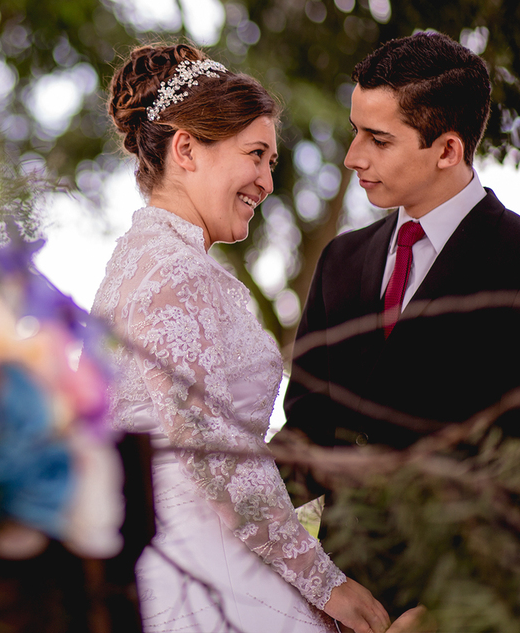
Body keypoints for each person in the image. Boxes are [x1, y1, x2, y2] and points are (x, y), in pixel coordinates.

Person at [280, 31, 520, 632]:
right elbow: (310, 434)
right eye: (355, 130)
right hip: (347, 611)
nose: (352, 156)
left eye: (378, 139)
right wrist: (221, 498)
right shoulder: (342, 261)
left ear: (448, 149)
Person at [91, 43, 390, 633]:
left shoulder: (136, 263)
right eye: (256, 155)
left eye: (272, 162)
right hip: (206, 575)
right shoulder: (174, 273)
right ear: (185, 150)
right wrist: (329, 586)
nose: (266, 181)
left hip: (171, 559)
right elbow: (214, 454)